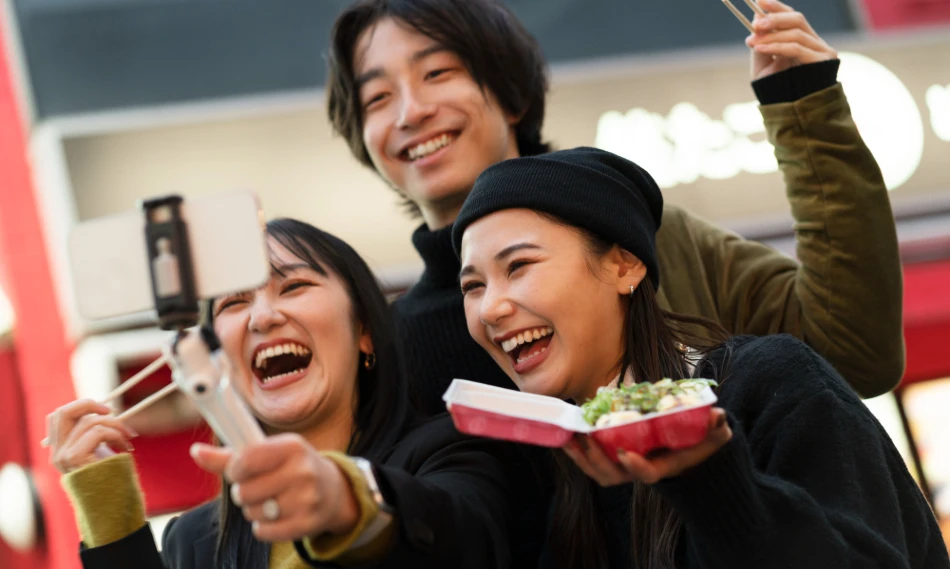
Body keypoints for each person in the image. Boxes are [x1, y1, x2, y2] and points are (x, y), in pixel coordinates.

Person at [325, 0, 904, 417]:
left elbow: (854, 355)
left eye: (437, 73)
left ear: (511, 93)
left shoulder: (648, 235)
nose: (409, 112)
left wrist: (803, 114)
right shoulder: (386, 345)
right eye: (377, 97)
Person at [452, 146, 950, 569]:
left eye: (519, 265)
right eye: (472, 286)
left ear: (625, 264)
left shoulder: (767, 382)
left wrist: (710, 480)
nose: (491, 308)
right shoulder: (567, 472)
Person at [46, 218, 545, 569]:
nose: (263, 316)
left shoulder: (451, 453)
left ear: (365, 331)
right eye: (235, 301)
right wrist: (107, 506)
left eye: (294, 287)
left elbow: (462, 542)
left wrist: (347, 501)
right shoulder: (194, 541)